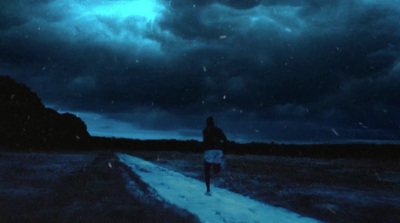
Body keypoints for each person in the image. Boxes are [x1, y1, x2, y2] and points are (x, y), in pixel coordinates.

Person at [202, 116, 228, 195]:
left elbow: (205, 141)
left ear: (207, 123)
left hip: (209, 150)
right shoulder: (219, 130)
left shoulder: (205, 130)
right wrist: (222, 148)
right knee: (215, 168)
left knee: (207, 169)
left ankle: (208, 189)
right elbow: (225, 140)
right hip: (218, 150)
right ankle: (219, 166)